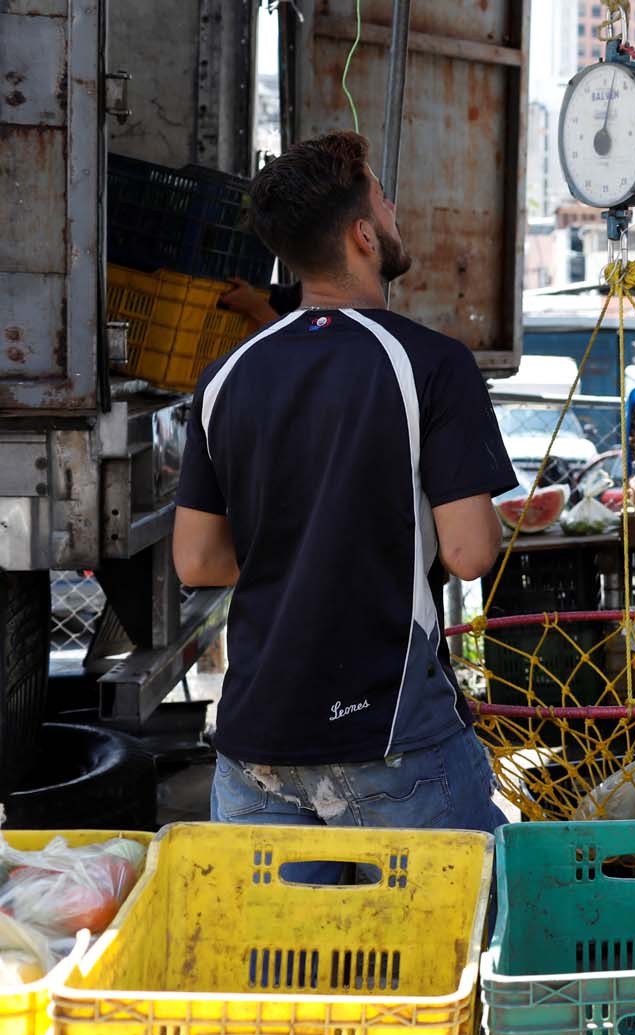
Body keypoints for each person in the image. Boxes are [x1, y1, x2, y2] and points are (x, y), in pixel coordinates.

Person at [173, 131, 516, 837]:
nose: (394, 210)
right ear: (363, 235)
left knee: (283, 951)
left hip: (254, 749)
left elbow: (198, 561)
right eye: (384, 201)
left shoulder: (226, 376)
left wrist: (300, 548)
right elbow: (471, 554)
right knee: (436, 948)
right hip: (392, 739)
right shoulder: (432, 364)